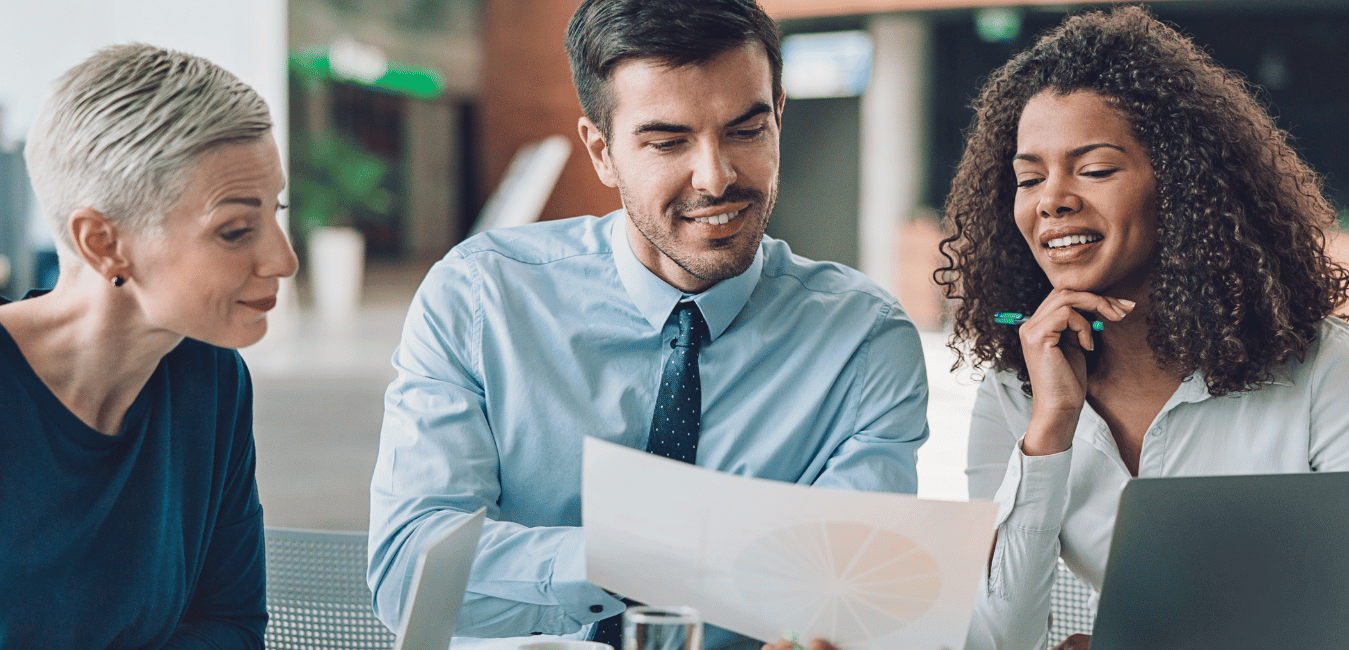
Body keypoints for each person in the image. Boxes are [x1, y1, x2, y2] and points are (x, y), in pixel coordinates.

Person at [366, 1, 929, 648]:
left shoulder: (863, 341)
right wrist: (639, 556)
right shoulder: (480, 300)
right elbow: (412, 576)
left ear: (779, 116)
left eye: (746, 131)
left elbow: (855, 596)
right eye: (668, 142)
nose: (716, 177)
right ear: (602, 152)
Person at [929, 8, 1349, 650]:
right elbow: (997, 640)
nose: (1052, 199)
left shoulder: (1321, 366)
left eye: (1095, 169)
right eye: (1029, 178)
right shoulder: (1016, 392)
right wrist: (1050, 433)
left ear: (1183, 184)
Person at [0, 44, 295, 649]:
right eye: (236, 230)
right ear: (103, 242)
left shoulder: (210, 381)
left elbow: (229, 620)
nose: (283, 259)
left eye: (275, 212)